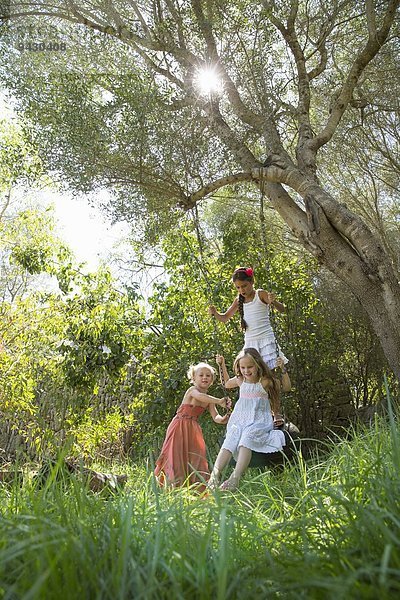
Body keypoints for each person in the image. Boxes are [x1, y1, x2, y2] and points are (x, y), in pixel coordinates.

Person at [208, 348, 286, 491]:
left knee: (246, 438)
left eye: (249, 367)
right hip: (239, 419)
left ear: (258, 365)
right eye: (242, 367)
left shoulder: (265, 382)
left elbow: (286, 387)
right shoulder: (240, 380)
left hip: (259, 421)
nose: (246, 371)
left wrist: (283, 369)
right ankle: (214, 476)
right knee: (231, 438)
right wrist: (222, 365)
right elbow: (225, 383)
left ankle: (235, 478)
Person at [154, 362, 230, 490]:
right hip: (179, 425)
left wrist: (224, 418)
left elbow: (215, 417)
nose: (205, 377)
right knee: (175, 455)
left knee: (196, 457)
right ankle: (172, 487)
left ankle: (196, 489)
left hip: (193, 429)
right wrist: (218, 400)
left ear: (212, 380)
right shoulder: (192, 391)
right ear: (193, 378)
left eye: (208, 375)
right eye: (201, 375)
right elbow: (200, 396)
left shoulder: (209, 400)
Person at [208, 266, 288, 371]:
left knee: (270, 372)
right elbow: (225, 318)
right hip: (250, 342)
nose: (241, 290)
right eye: (238, 287)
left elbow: (282, 309)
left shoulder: (260, 294)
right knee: (245, 371)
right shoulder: (238, 301)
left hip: (266, 340)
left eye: (244, 286)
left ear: (252, 282)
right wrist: (215, 313)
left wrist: (274, 301)